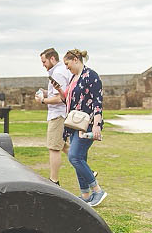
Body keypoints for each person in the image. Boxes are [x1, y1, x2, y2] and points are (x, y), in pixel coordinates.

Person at [62, 48, 107, 206]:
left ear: (75, 59)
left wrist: (97, 124)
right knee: (80, 158)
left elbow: (97, 101)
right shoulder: (74, 78)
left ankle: (97, 190)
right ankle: (86, 194)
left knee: (74, 157)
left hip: (87, 124)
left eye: (68, 64)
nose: (67, 68)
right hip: (75, 125)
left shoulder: (91, 76)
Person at [35, 47, 73, 184]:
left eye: (44, 61)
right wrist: (46, 92)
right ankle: (87, 171)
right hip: (61, 114)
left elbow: (59, 98)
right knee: (63, 146)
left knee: (54, 147)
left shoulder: (57, 73)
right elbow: (60, 93)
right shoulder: (61, 71)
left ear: (52, 58)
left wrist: (43, 100)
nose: (43, 65)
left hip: (58, 115)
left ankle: (54, 180)